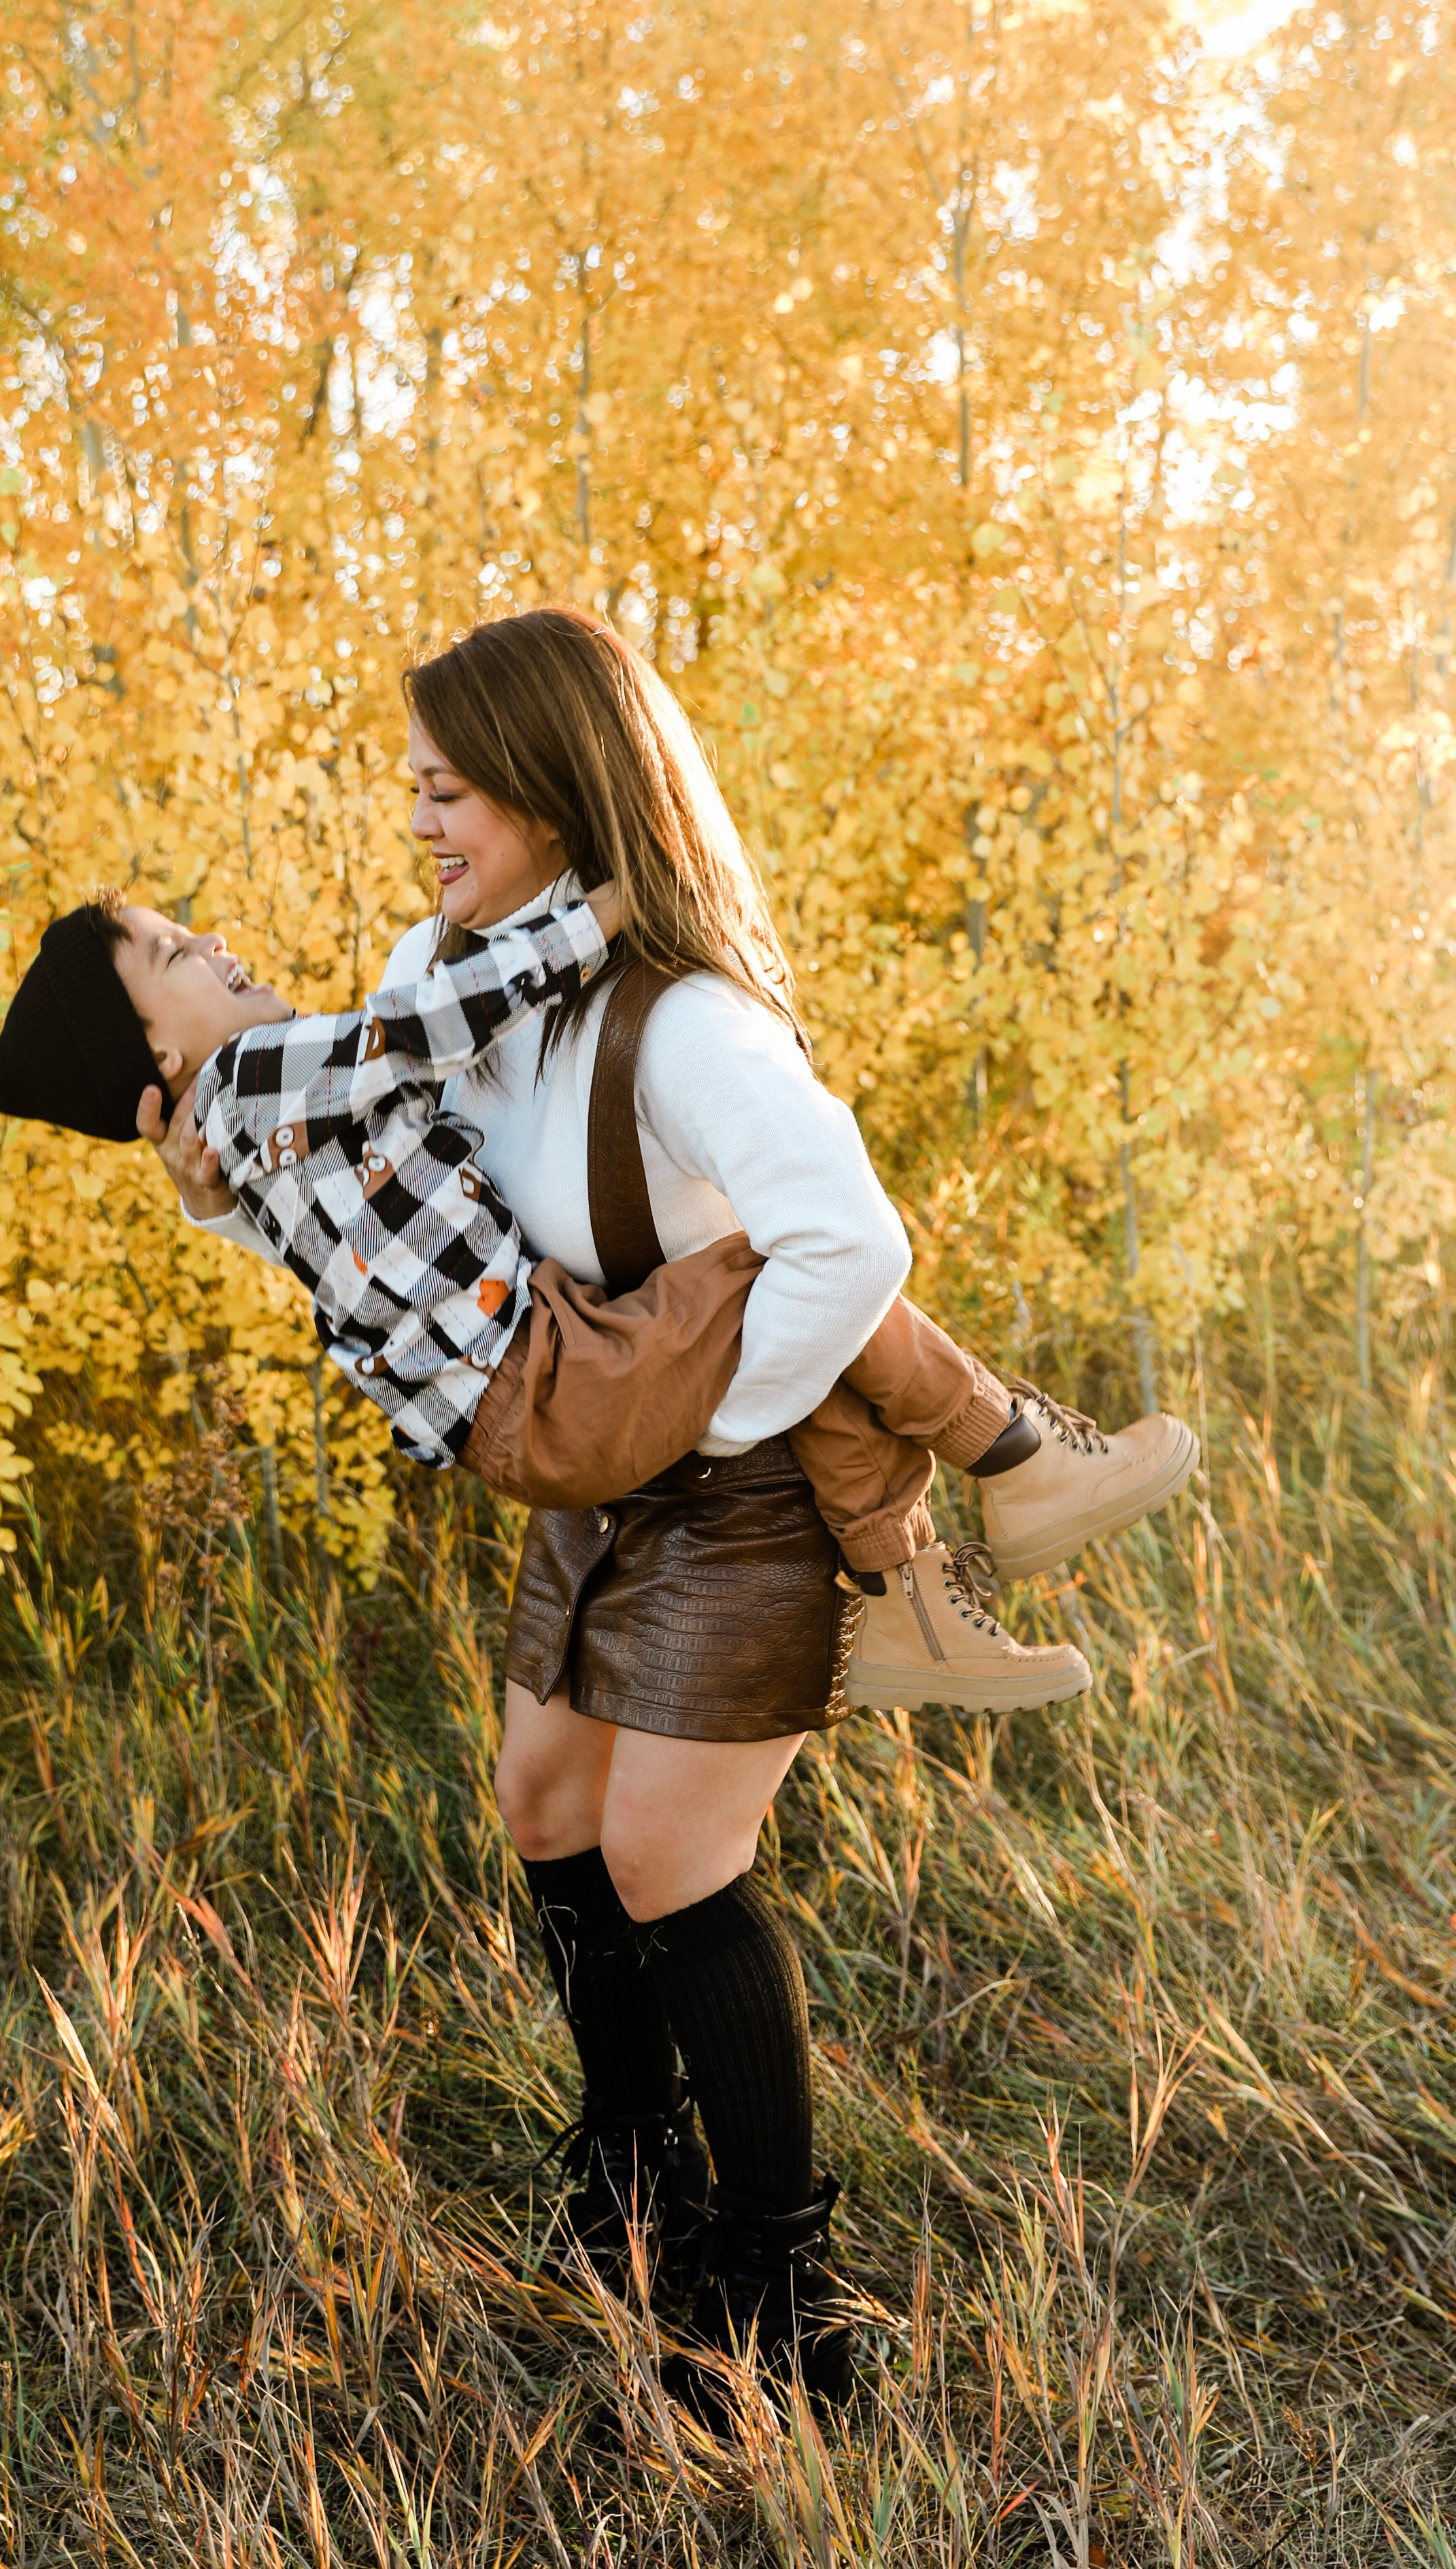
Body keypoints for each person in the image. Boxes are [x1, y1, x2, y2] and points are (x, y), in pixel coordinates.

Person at [106, 607, 1198, 2413]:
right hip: (596, 1459)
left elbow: (855, 1245)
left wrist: (716, 1419)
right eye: (415, 792)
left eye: (447, 791)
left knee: (668, 1857)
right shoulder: (439, 971)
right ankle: (631, 2176)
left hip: (729, 1480)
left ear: (551, 793)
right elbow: (369, 1204)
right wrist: (221, 1192)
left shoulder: (691, 1027)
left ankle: (780, 2277)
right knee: (547, 1799)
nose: (421, 825)